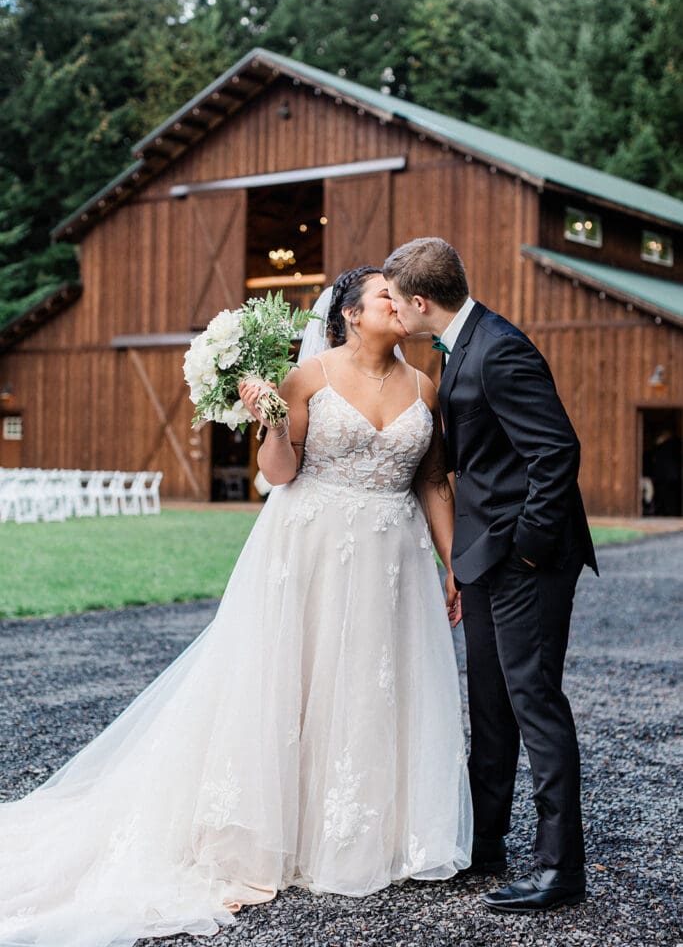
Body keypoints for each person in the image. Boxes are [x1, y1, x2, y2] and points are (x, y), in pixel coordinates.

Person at [0, 266, 472, 947]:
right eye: (384, 296)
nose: (398, 305)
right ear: (347, 315)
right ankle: (269, 831)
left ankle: (367, 835)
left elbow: (432, 481)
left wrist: (452, 564)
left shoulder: (424, 385)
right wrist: (271, 424)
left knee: (375, 683)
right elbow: (277, 474)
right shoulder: (308, 378)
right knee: (290, 677)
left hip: (391, 555)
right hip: (307, 544)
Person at [384, 237, 598, 915]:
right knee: (490, 705)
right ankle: (486, 845)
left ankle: (558, 867)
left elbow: (556, 452)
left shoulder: (500, 347)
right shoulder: (460, 345)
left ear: (420, 302)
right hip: (479, 557)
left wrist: (528, 551)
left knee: (534, 702)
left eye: (393, 298)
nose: (389, 309)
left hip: (522, 562)